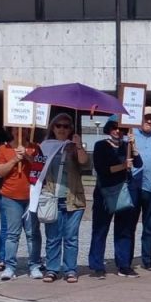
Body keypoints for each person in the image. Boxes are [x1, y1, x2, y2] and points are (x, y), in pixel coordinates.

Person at [35, 114, 90, 283]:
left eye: (66, 126)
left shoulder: (74, 147)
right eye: (58, 125)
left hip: (73, 199)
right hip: (52, 197)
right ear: (53, 127)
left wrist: (78, 145)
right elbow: (37, 168)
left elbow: (85, 163)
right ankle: (52, 268)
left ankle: (70, 269)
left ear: (71, 129)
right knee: (53, 237)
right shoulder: (45, 146)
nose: (62, 129)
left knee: (71, 237)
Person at [88, 116, 142, 279]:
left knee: (124, 230)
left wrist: (134, 146)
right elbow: (102, 169)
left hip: (124, 191)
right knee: (100, 229)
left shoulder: (127, 146)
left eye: (121, 128)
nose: (118, 131)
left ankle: (124, 265)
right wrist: (123, 166)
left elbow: (138, 163)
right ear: (108, 128)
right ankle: (97, 266)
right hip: (106, 192)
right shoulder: (101, 146)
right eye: (114, 127)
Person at [0, 130, 45, 280]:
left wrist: (28, 156)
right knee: (12, 234)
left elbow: (41, 168)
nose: (20, 132)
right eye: (16, 129)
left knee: (33, 233)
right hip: (10, 197)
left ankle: (34, 265)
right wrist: (15, 159)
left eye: (24, 129)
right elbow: (0, 172)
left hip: (31, 196)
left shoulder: (36, 148)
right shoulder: (3, 149)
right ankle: (9, 266)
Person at [131, 107, 151, 271]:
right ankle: (126, 260)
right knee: (129, 225)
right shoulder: (131, 135)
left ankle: (148, 260)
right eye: (146, 118)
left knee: (150, 227)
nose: (149, 121)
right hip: (134, 187)